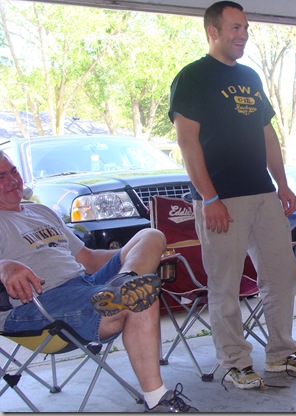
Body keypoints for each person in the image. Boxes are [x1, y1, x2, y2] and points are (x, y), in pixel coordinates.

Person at [168, 0, 296, 390]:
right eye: (235, 28)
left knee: (283, 276)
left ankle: (281, 355)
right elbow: (187, 143)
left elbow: (267, 134)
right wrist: (209, 198)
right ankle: (235, 362)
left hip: (263, 194)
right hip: (221, 199)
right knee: (225, 284)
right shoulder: (192, 77)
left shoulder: (251, 77)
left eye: (246, 28)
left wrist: (282, 183)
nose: (243, 35)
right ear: (213, 31)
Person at [0, 150, 198, 412]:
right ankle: (157, 400)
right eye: (1, 177)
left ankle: (125, 282)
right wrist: (3, 266)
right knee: (142, 295)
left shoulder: (41, 211)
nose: (13, 180)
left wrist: (136, 256)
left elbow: (87, 257)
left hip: (86, 285)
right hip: (39, 303)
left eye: (13, 171)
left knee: (150, 236)